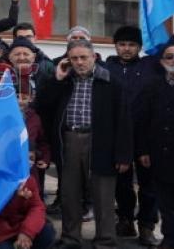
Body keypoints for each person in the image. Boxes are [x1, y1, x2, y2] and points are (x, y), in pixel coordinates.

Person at [36, 39, 132, 248]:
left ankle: (106, 240)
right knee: (70, 193)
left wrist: (123, 154)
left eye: (83, 58)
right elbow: (42, 106)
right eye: (74, 58)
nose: (79, 62)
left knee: (103, 195)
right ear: (67, 60)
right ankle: (71, 238)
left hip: (101, 142)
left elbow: (124, 120)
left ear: (94, 57)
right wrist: (57, 79)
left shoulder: (111, 82)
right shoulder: (64, 81)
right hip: (69, 140)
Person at [105, 25, 159, 245]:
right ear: (115, 46)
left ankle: (147, 226)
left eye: (132, 45)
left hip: (146, 135)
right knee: (121, 183)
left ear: (139, 46)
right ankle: (125, 219)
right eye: (122, 44)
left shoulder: (151, 66)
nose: (126, 49)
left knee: (149, 184)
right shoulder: (105, 67)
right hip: (118, 137)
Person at [136, 43, 174, 249]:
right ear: (162, 62)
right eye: (169, 57)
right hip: (161, 157)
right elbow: (142, 120)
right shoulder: (152, 87)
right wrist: (142, 150)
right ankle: (172, 240)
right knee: (168, 206)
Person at [0, 146, 56, 249]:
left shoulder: (30, 180)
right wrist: (13, 196)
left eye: (31, 159)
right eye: (24, 157)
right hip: (0, 232)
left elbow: (37, 207)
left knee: (47, 232)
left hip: (21, 227)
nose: (28, 161)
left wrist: (27, 232)